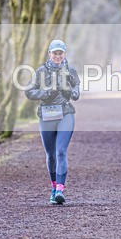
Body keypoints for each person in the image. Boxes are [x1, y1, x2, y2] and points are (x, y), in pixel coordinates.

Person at [25, 39, 80, 205]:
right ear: (49, 54)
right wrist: (45, 93)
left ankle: (60, 190)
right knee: (51, 155)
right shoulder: (41, 71)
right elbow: (29, 91)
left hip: (65, 113)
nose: (57, 56)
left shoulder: (70, 70)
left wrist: (70, 92)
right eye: (55, 53)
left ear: (64, 54)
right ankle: (54, 187)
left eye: (60, 53)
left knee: (61, 151)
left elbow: (76, 89)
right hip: (47, 115)